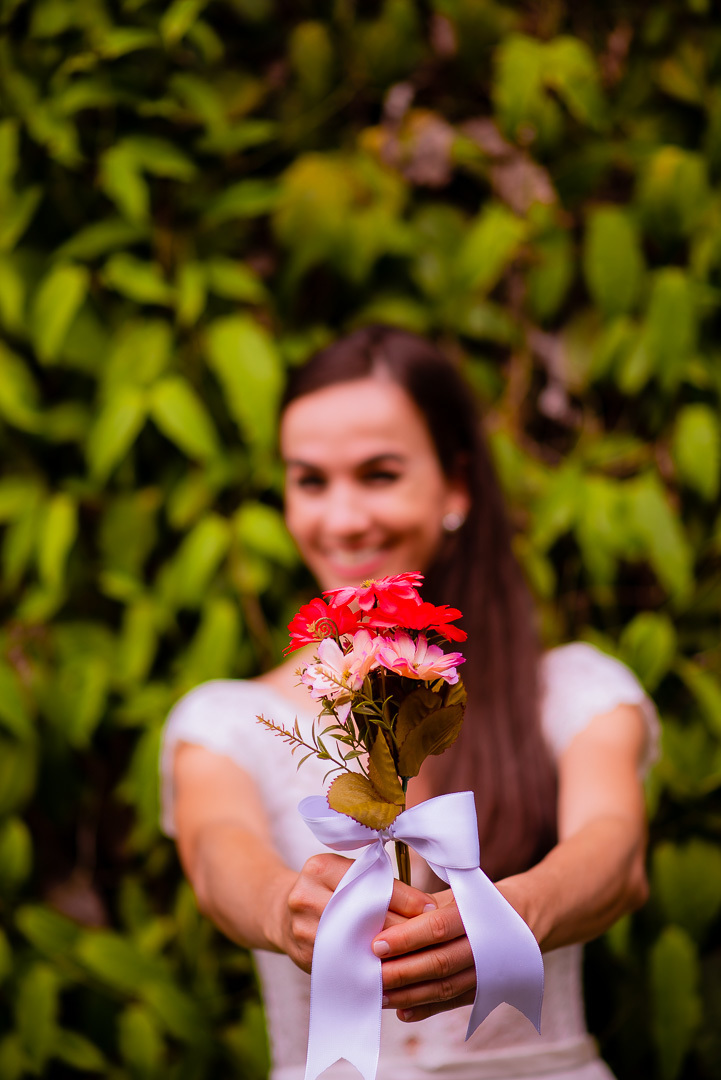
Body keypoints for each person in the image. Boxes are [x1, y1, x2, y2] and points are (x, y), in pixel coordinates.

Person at [160, 325, 658, 1080]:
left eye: (379, 474)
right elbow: (215, 853)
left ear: (455, 486)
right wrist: (280, 908)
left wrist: (515, 914)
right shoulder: (229, 721)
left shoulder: (571, 692)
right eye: (310, 481)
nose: (342, 519)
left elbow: (613, 851)